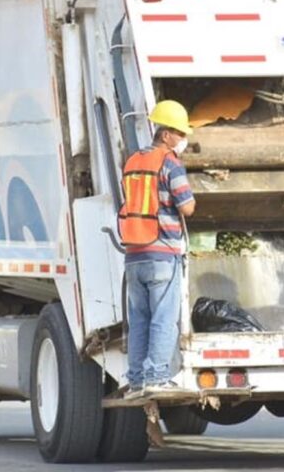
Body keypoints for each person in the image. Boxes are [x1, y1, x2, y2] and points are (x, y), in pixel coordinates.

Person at [118, 100, 196, 398]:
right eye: (178, 133)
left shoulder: (132, 161)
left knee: (140, 318)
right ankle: (157, 376)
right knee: (164, 317)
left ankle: (137, 379)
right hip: (163, 252)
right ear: (164, 134)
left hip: (134, 252)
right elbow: (186, 207)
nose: (182, 139)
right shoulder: (170, 163)